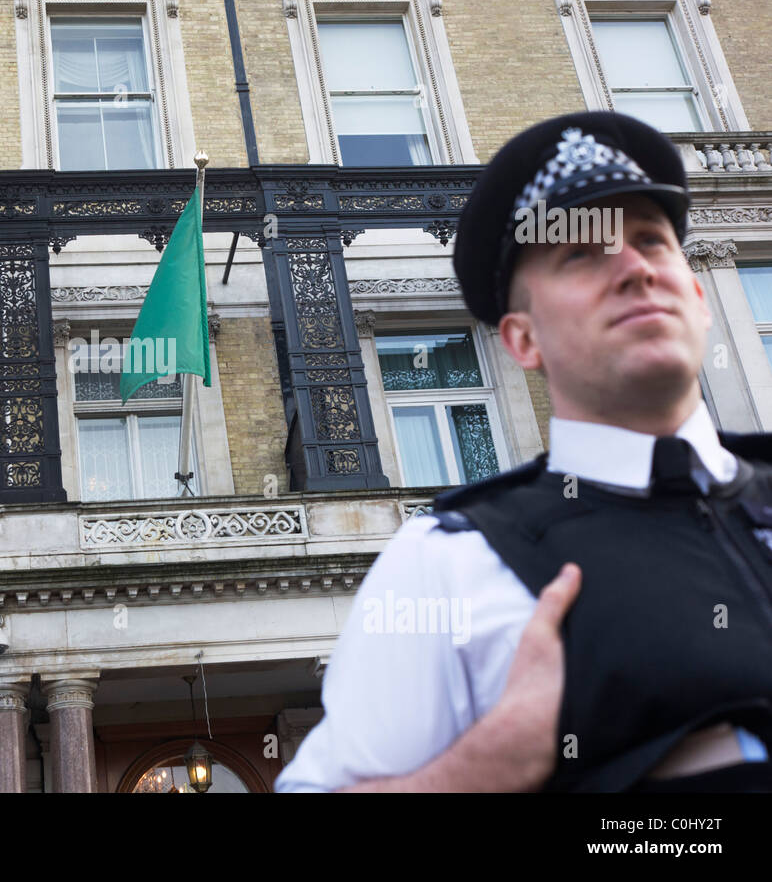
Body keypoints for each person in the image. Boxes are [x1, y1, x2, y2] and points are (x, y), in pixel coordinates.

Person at [276, 111, 772, 792]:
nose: (633, 268)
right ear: (522, 340)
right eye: (580, 255)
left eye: (653, 241)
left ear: (697, 294)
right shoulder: (454, 558)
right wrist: (483, 767)